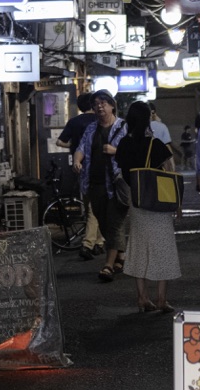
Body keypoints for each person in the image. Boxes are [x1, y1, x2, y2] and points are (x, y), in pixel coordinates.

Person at [117, 100, 182, 313]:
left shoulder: (124, 145)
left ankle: (142, 297)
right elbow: (171, 173)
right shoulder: (156, 146)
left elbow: (121, 172)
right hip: (158, 204)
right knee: (163, 249)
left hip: (136, 203)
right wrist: (177, 204)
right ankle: (161, 299)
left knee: (138, 247)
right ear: (148, 119)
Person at [79, 90, 129, 281]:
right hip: (95, 183)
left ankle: (108, 265)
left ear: (112, 105)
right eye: (96, 104)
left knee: (114, 223)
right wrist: (77, 161)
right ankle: (120, 256)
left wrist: (115, 150)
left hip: (117, 182)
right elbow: (81, 148)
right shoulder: (91, 129)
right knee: (104, 222)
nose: (99, 106)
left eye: (103, 103)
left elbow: (133, 153)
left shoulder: (123, 127)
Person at [56, 93, 104, 258]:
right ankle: (89, 244)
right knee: (94, 207)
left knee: (90, 204)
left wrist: (73, 145)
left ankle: (98, 242)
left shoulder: (74, 122)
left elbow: (59, 142)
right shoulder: (99, 120)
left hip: (80, 167)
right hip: (98, 167)